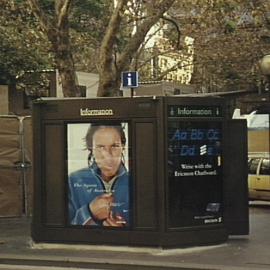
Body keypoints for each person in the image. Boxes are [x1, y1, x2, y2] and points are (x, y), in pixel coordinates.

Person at [68, 123, 130, 227]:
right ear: (91, 149)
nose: (107, 155)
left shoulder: (136, 182)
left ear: (123, 147)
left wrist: (123, 231)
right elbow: (58, 233)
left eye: (114, 146)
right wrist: (89, 212)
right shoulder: (73, 180)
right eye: (100, 147)